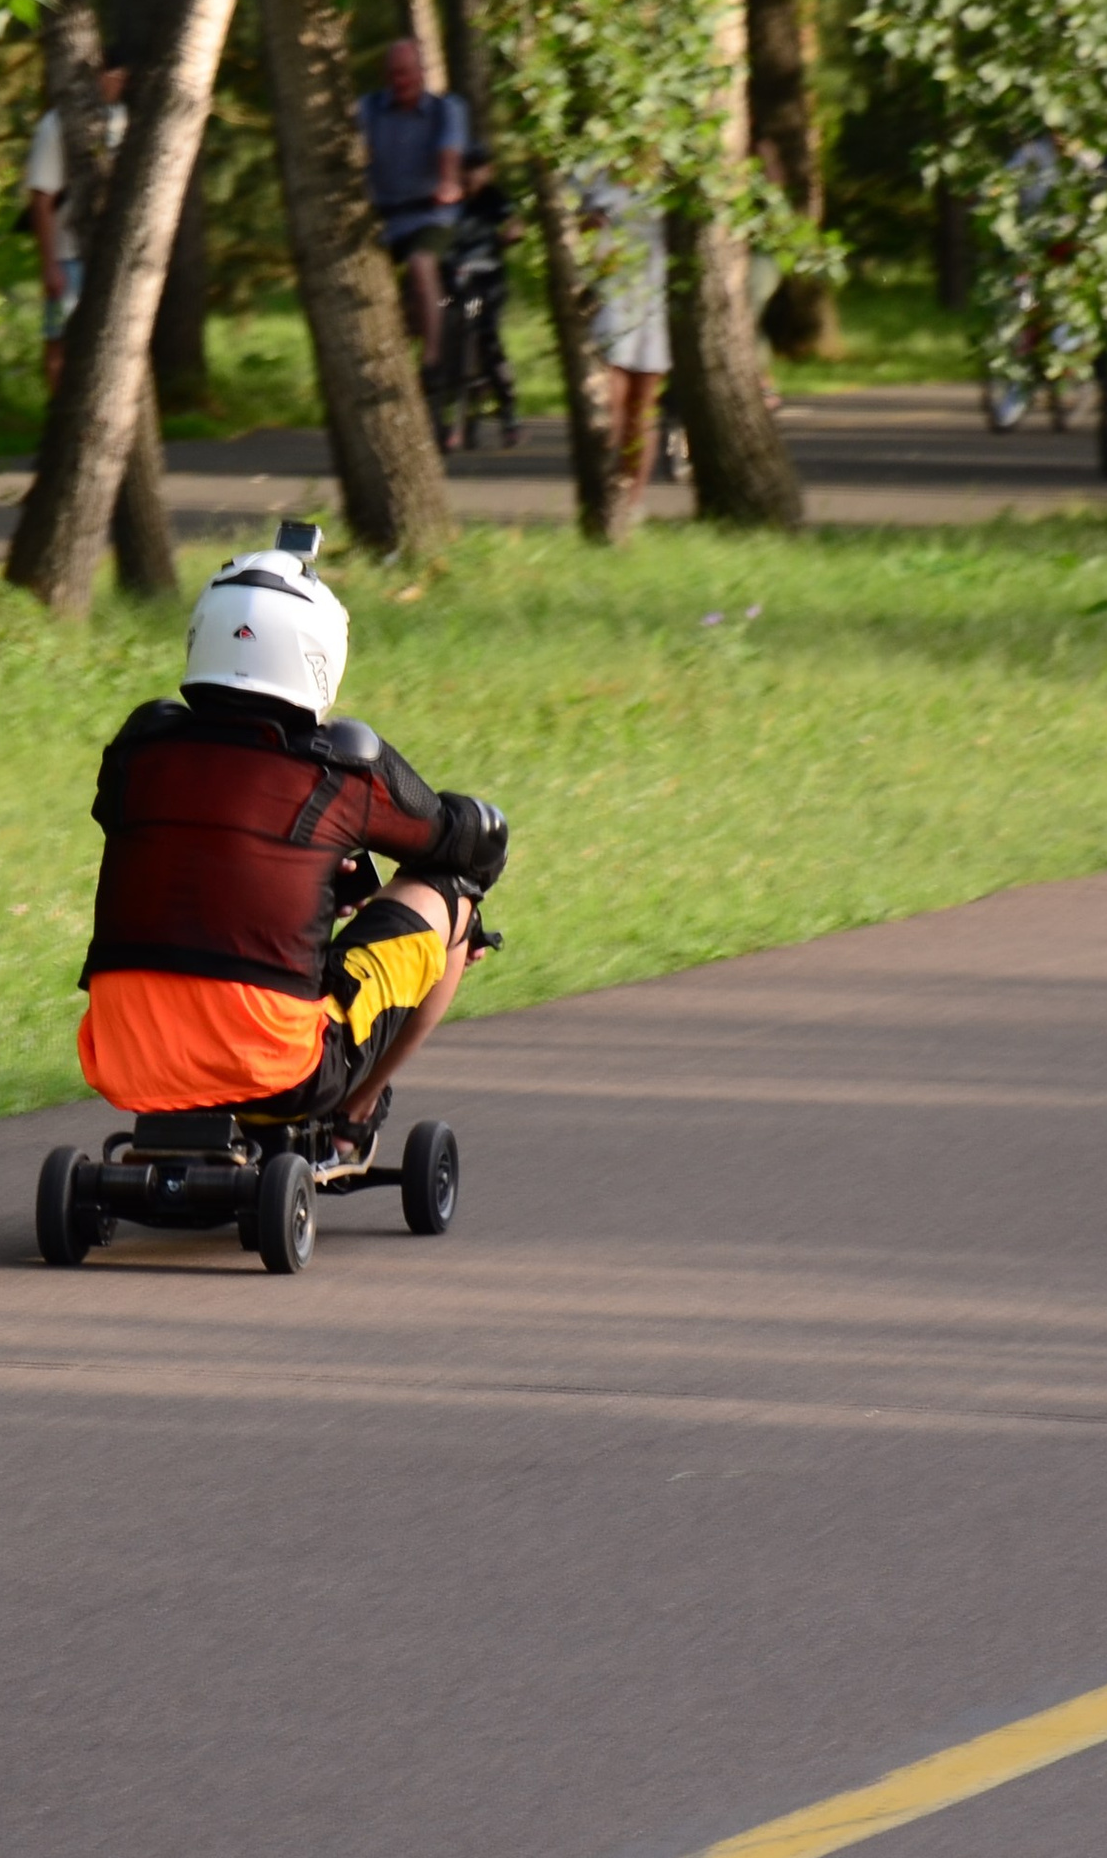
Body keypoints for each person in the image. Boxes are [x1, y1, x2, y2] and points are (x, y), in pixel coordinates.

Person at [74, 534, 508, 1143]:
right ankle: (351, 1120)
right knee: (451, 896)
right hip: (281, 1071)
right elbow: (464, 842)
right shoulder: (343, 770)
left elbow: (200, 847)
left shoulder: (137, 754)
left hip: (127, 1057)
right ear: (319, 651)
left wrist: (323, 873)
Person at [356, 38, 468, 423]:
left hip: (429, 216)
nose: (399, 80)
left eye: (405, 72)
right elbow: (353, 153)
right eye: (392, 74)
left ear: (421, 73)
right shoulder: (370, 109)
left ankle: (432, 361)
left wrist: (448, 183)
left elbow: (449, 153)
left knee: (422, 264)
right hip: (386, 218)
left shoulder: (445, 110)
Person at [24, 65, 129, 393]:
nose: (122, 83)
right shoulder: (57, 125)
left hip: (112, 253)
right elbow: (42, 198)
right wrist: (50, 264)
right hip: (68, 252)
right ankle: (63, 411)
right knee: (62, 340)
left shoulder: (125, 120)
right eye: (117, 74)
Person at [573, 169, 668, 510]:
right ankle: (605, 498)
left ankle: (632, 502)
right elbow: (563, 228)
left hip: (656, 296)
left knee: (642, 407)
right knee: (609, 401)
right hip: (608, 296)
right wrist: (586, 225)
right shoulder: (590, 168)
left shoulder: (670, 171)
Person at [437, 145, 522, 449]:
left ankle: (508, 409)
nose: (472, 175)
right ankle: (440, 408)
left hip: (487, 278)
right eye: (467, 168)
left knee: (488, 338)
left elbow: (514, 224)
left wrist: (509, 236)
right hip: (452, 279)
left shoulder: (494, 198)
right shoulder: (449, 198)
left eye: (478, 168)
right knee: (441, 332)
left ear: (489, 172)